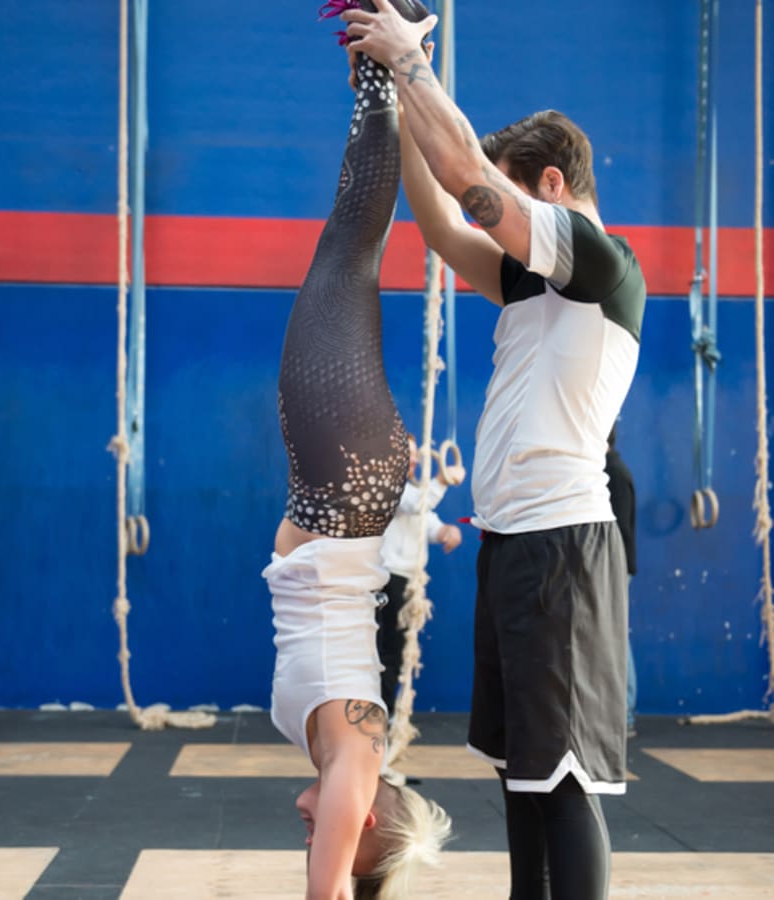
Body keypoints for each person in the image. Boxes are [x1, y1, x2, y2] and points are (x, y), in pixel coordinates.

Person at [340, 3, 647, 898]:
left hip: (563, 546)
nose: (498, 212)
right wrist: (391, 97)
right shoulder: (527, 284)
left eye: (515, 198)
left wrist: (412, 62)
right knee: (522, 773)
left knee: (565, 786)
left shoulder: (596, 260)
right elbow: (444, 223)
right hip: (514, 545)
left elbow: (471, 175)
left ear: (550, 186)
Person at [263, 2, 451, 896]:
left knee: (346, 247)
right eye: (327, 843)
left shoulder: (350, 750)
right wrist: (331, 886)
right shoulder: (358, 762)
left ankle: (381, 68)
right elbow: (334, 866)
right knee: (349, 250)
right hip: (345, 480)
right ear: (361, 826)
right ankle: (396, 45)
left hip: (337, 485)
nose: (310, 832)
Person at [377, 434, 464, 715]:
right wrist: (441, 480)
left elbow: (426, 521)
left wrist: (446, 532)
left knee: (395, 652)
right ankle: (377, 714)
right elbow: (415, 505)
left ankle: (383, 713)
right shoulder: (386, 488)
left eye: (414, 454)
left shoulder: (412, 490)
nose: (413, 459)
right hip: (387, 580)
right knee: (384, 652)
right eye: (407, 453)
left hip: (405, 584)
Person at [605, 423, 639, 738]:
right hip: (613, 565)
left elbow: (619, 530)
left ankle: (625, 712)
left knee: (615, 636)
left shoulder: (613, 473)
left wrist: (612, 568)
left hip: (615, 566)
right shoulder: (610, 470)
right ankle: (622, 711)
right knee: (613, 635)